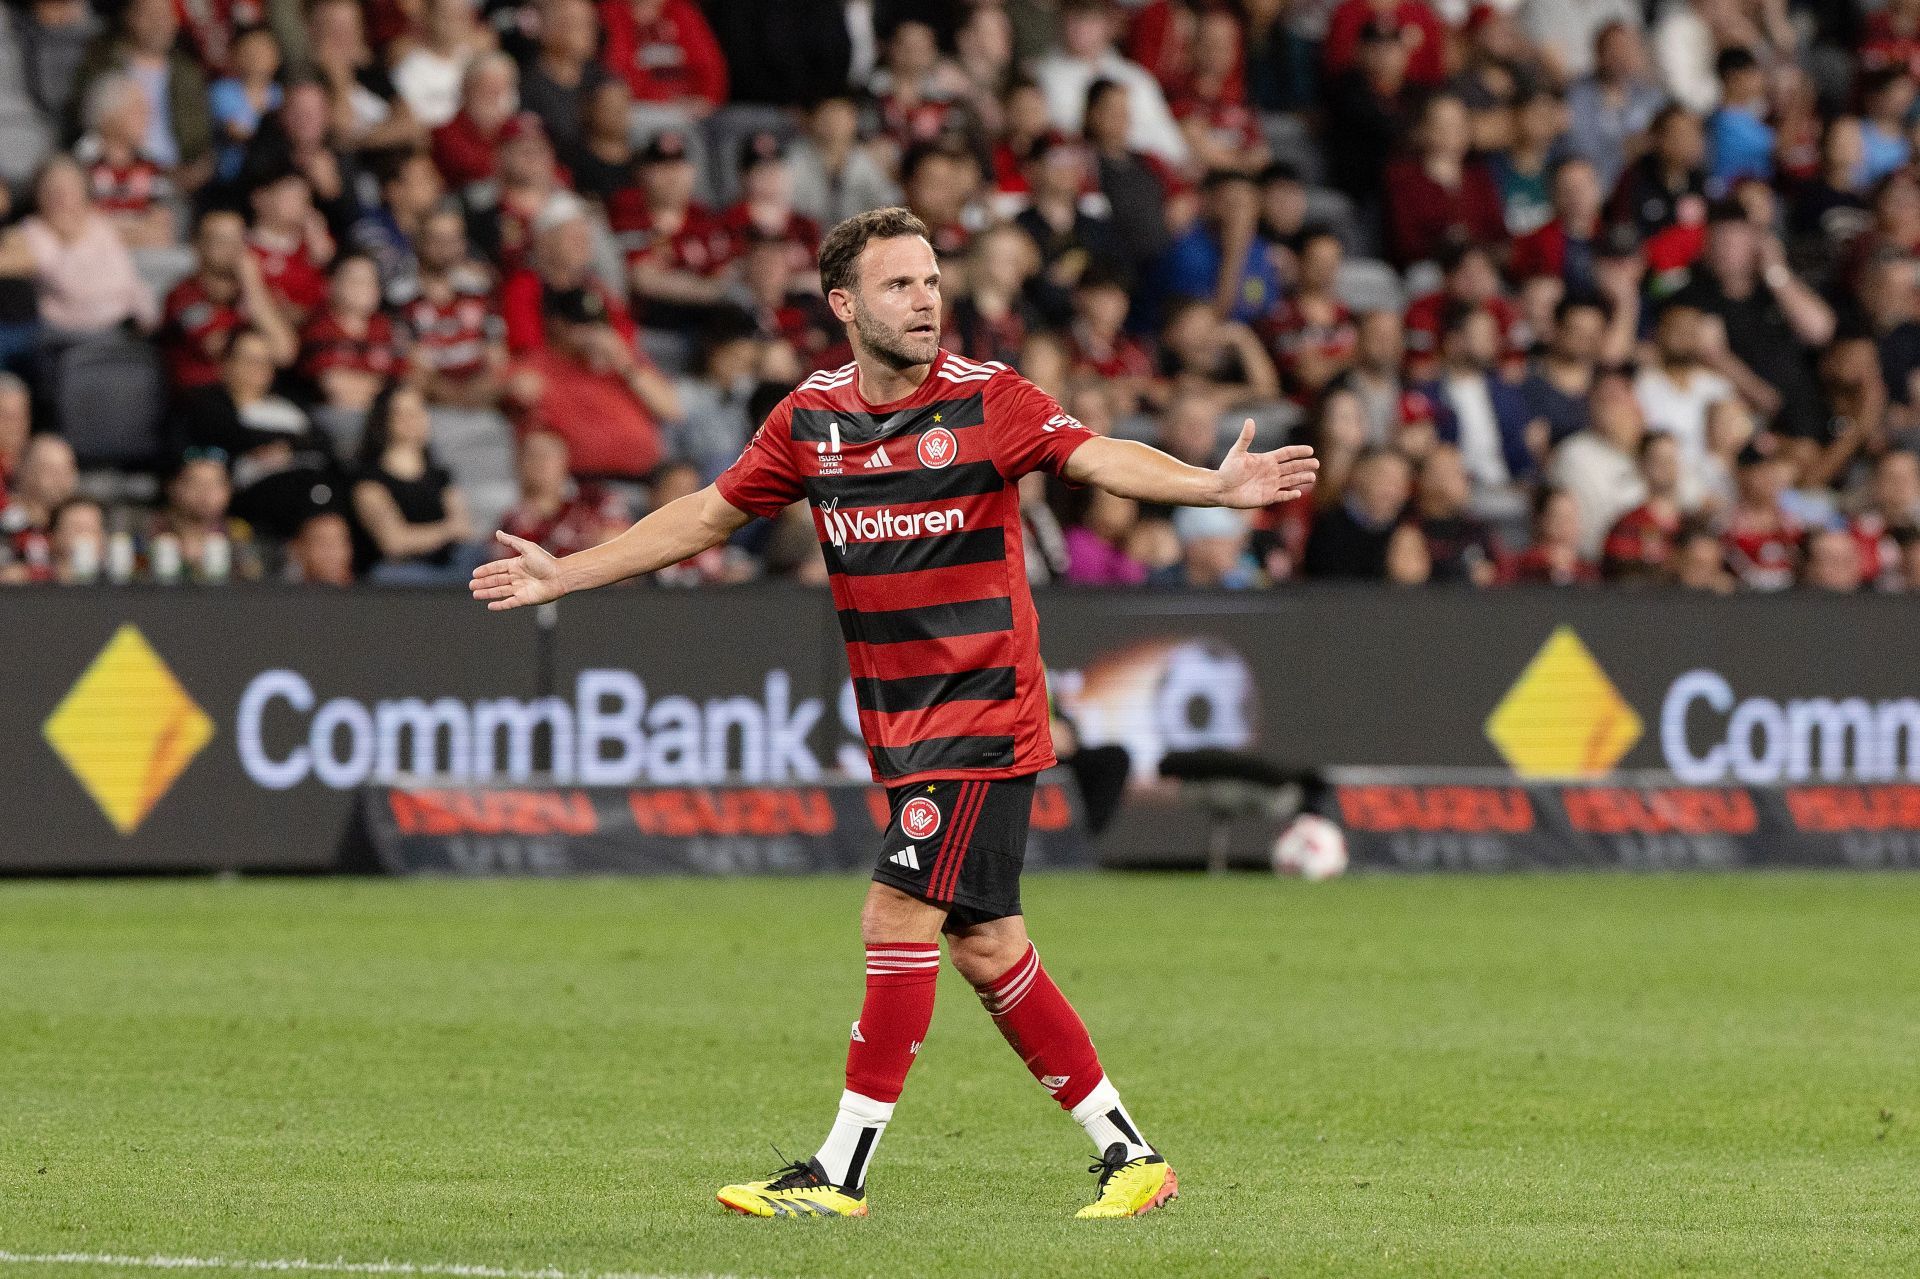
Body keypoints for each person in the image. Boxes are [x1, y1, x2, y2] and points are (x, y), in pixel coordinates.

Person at [469, 206, 1317, 1218]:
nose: (926, 301)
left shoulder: (987, 399)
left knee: (895, 913)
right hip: (905, 732)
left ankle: (840, 1171)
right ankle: (1132, 1158)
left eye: (931, 281)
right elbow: (703, 515)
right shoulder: (810, 420)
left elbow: (1097, 456)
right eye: (900, 285)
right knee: (986, 944)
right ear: (844, 304)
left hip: (984, 715)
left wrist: (1211, 489)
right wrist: (567, 572)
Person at [352, 380, 476, 583]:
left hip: (447, 569)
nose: (413, 420)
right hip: (396, 576)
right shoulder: (369, 480)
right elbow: (394, 542)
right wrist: (447, 530)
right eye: (403, 413)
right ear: (384, 420)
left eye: (419, 411)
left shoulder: (440, 476)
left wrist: (434, 535)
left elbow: (463, 528)